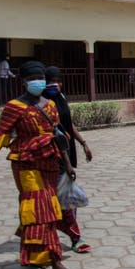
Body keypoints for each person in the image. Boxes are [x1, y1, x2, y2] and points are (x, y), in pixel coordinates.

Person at [0, 61, 76, 269]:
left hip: (49, 163)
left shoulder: (50, 105)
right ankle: (55, 261)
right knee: (40, 208)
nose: (39, 82)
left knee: (45, 209)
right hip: (25, 164)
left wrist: (68, 165)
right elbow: (0, 138)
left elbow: (59, 136)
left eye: (41, 77)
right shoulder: (14, 107)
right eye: (34, 78)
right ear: (24, 81)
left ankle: (33, 255)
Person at [43, 66, 93, 254]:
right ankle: (73, 237)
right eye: (50, 81)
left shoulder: (61, 98)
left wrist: (83, 143)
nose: (54, 84)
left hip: (66, 156)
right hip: (51, 157)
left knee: (67, 197)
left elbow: (68, 124)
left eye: (58, 80)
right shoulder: (41, 103)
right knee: (55, 198)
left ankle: (72, 236)